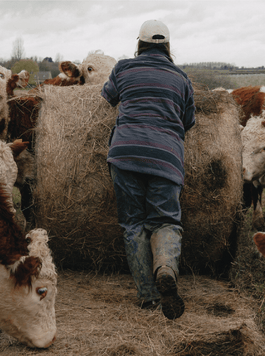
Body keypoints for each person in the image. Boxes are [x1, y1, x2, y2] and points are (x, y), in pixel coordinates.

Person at [101, 19, 196, 320]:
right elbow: (189, 121)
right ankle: (165, 268)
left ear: (139, 43)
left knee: (132, 223)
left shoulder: (123, 68)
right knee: (166, 220)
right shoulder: (181, 78)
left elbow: (107, 98)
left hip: (125, 152)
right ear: (167, 46)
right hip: (166, 157)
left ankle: (147, 295)